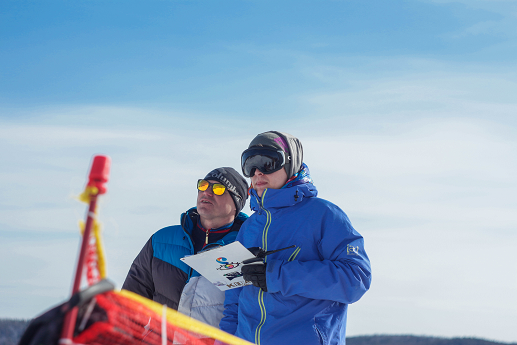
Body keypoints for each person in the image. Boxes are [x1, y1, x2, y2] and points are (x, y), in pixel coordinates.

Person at [219, 131, 372, 345]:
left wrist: (277, 274)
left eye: (268, 162)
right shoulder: (250, 227)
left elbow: (356, 279)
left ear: (290, 164)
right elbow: (234, 302)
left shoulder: (323, 214)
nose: (257, 172)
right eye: (250, 164)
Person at [122, 167, 249, 328]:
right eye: (203, 186)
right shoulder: (161, 240)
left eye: (218, 189)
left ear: (236, 202)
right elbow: (130, 302)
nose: (207, 192)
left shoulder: (244, 249)